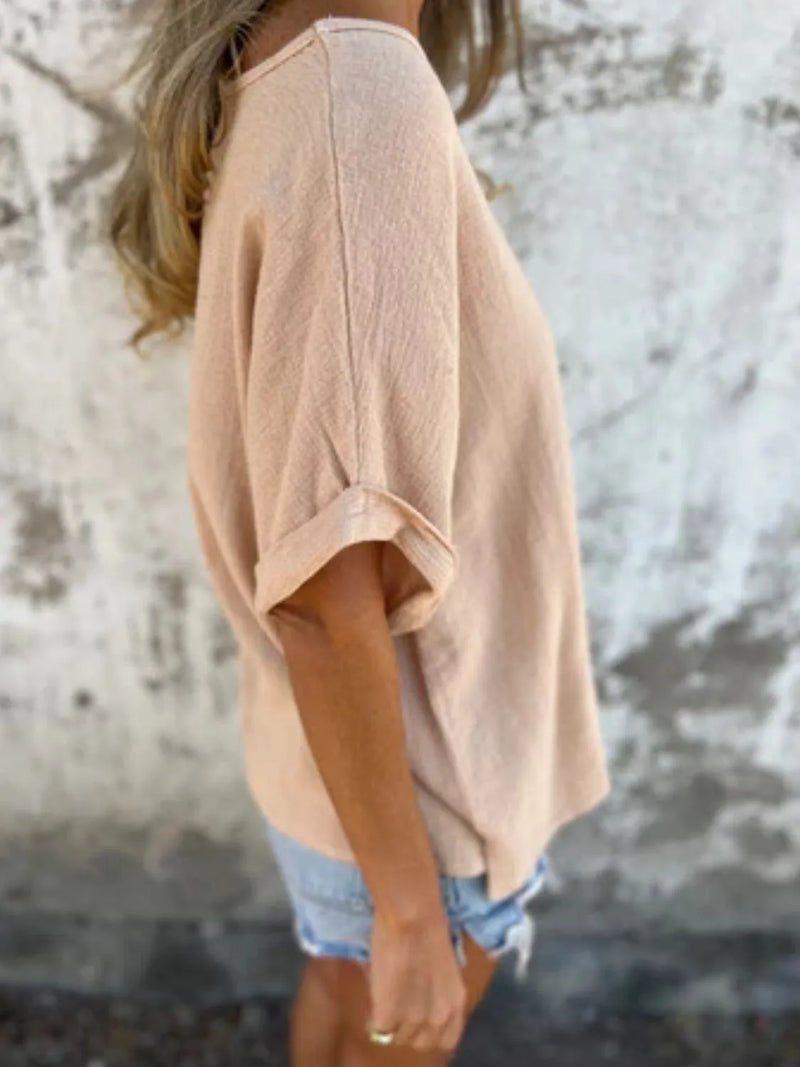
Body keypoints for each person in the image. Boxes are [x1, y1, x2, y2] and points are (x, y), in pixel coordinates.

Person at [108, 1, 611, 1062]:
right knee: (378, 1025)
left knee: (343, 1006)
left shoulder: (297, 63)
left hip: (343, 765)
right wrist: (410, 909)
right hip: (423, 788)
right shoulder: (361, 102)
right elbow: (326, 591)